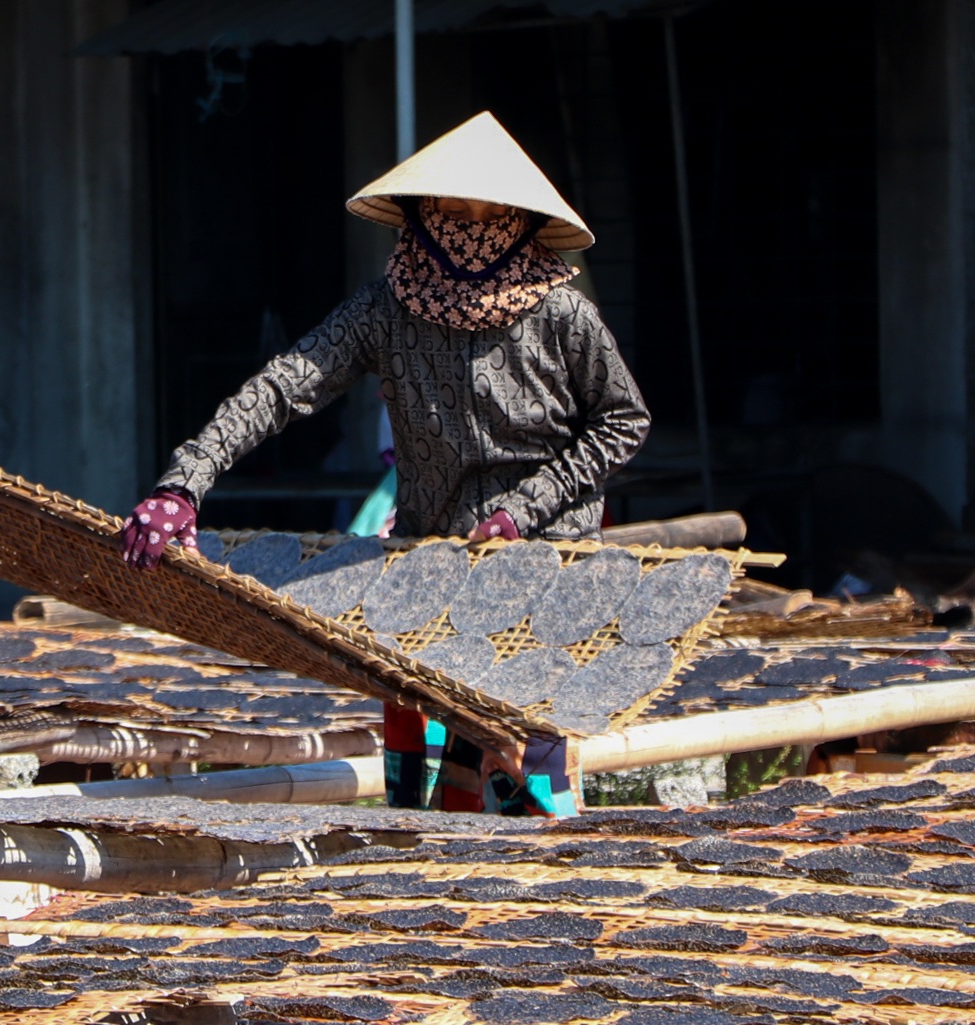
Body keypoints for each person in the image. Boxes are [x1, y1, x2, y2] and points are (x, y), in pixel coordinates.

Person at [121, 111, 650, 815]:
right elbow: (282, 386)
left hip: (545, 564)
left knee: (531, 781)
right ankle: (421, 866)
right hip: (435, 555)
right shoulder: (385, 310)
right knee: (426, 762)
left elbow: (624, 421)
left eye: (485, 212)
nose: (467, 227)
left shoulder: (562, 316)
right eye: (451, 210)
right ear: (420, 214)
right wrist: (184, 482)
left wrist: (523, 510)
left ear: (518, 217)